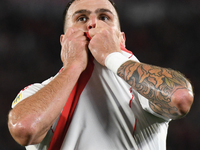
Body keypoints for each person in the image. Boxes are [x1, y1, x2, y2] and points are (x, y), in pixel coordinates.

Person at [8, 0, 194, 149]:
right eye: (81, 18)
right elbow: (25, 129)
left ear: (121, 38)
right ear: (64, 41)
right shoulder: (38, 92)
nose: (93, 23)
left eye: (104, 17)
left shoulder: (140, 87)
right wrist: (74, 65)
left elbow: (180, 97)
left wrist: (111, 56)